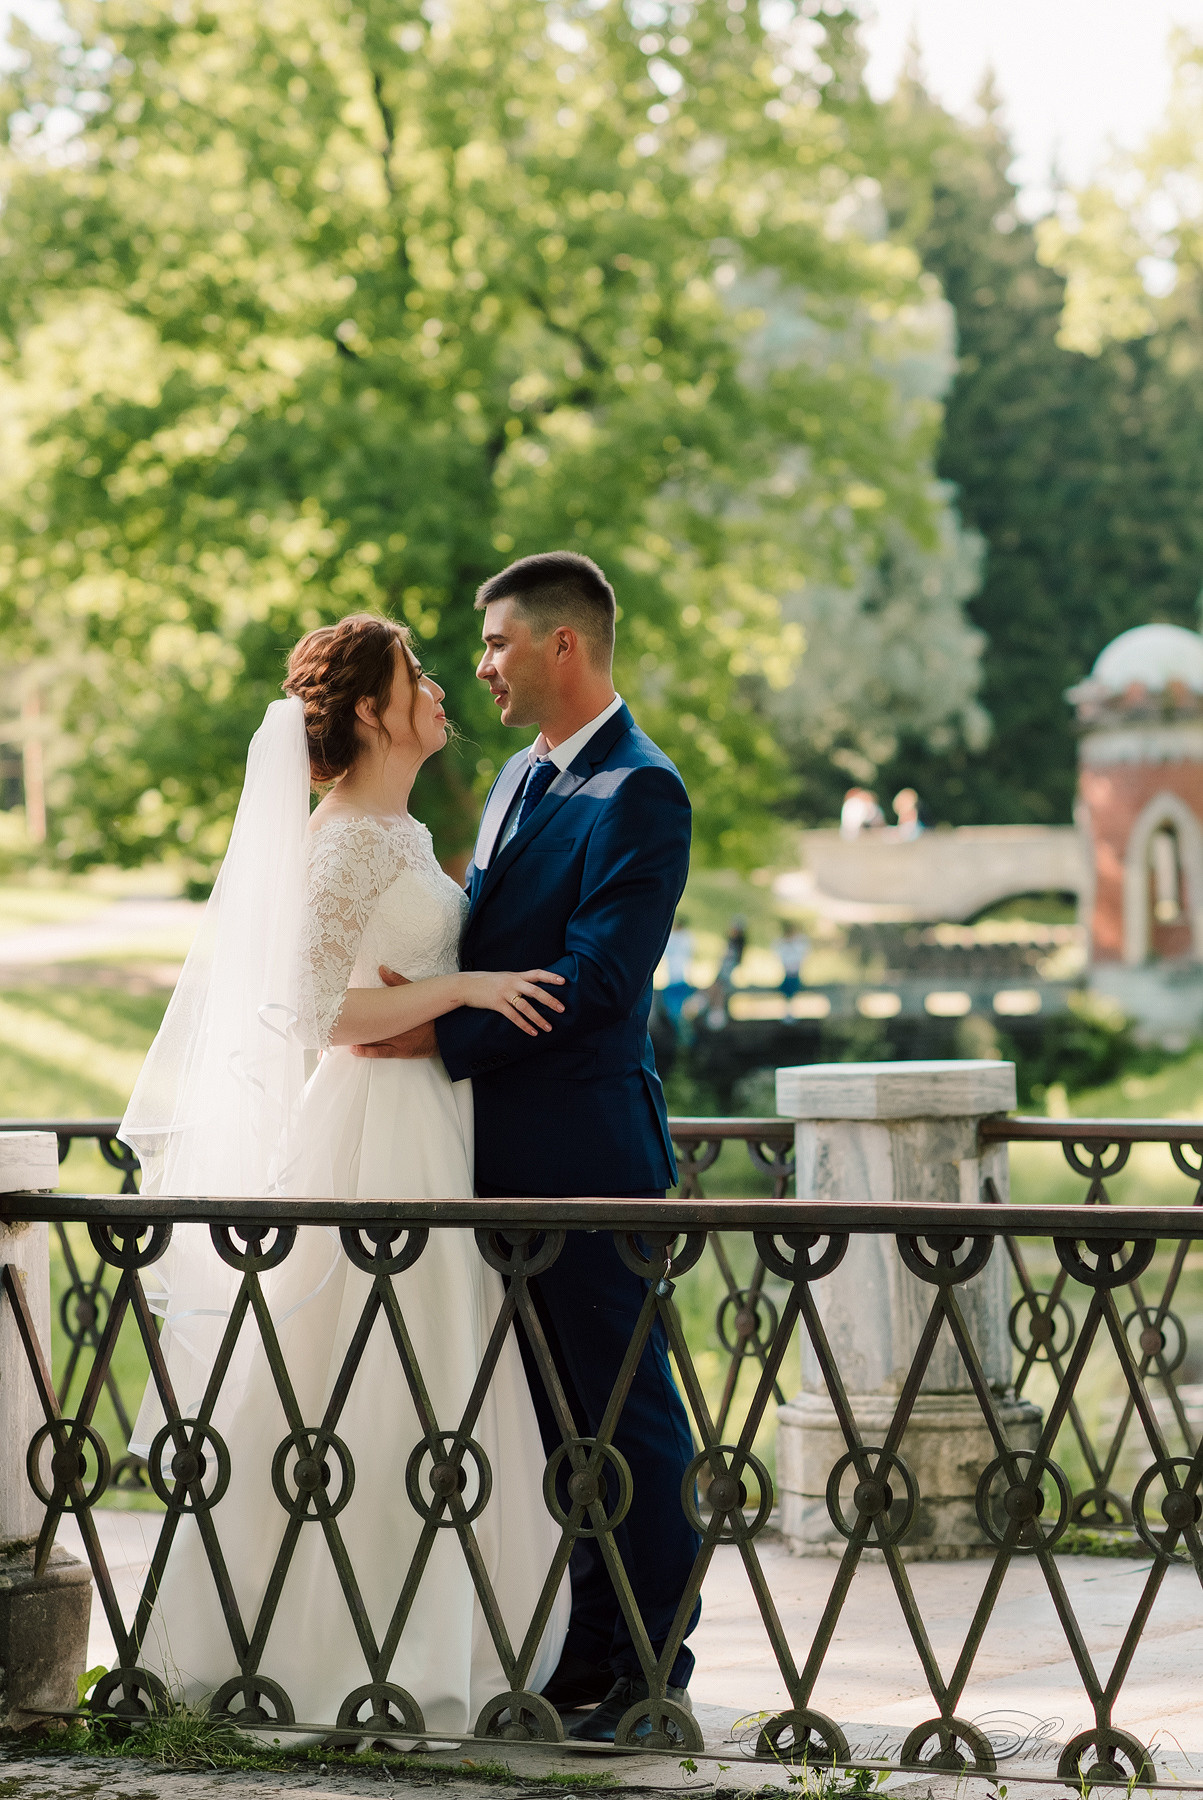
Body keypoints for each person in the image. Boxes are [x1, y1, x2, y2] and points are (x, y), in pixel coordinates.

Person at [118, 614, 570, 1735]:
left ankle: (431, 1630)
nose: (442, 689)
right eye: (418, 675)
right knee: (367, 1377)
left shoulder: (397, 833)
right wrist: (459, 992)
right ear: (371, 709)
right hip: (373, 1134)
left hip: (428, 1124)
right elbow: (311, 1012)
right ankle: (331, 1651)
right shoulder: (345, 841)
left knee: (431, 1375)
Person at [352, 551, 700, 1745]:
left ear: (566, 645)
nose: (481, 665)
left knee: (627, 1417)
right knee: (558, 1425)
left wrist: (441, 1036)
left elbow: (598, 984)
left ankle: (658, 1677)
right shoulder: (512, 780)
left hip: (591, 1158)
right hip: (488, 1159)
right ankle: (588, 1658)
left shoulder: (644, 791)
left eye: (498, 643)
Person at [661, 913, 695, 1030]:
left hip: (675, 980)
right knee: (680, 1011)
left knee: (675, 1011)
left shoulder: (673, 938)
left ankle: (685, 1037)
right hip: (680, 979)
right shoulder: (688, 938)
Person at [772, 920, 810, 998]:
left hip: (795, 967)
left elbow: (803, 952)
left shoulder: (800, 941)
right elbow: (777, 951)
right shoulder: (781, 941)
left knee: (794, 983)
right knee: (788, 984)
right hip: (788, 967)